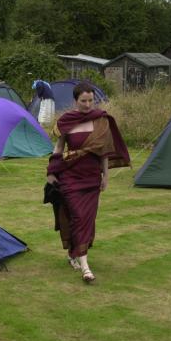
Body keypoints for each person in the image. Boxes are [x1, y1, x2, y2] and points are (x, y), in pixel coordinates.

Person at [46, 82, 130, 283]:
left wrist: (106, 176)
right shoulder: (66, 121)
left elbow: (104, 151)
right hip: (70, 177)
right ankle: (86, 268)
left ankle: (74, 254)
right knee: (78, 216)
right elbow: (59, 148)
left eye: (91, 100)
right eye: (83, 100)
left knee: (86, 220)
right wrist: (51, 172)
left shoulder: (101, 120)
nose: (87, 104)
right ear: (75, 101)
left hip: (92, 179)